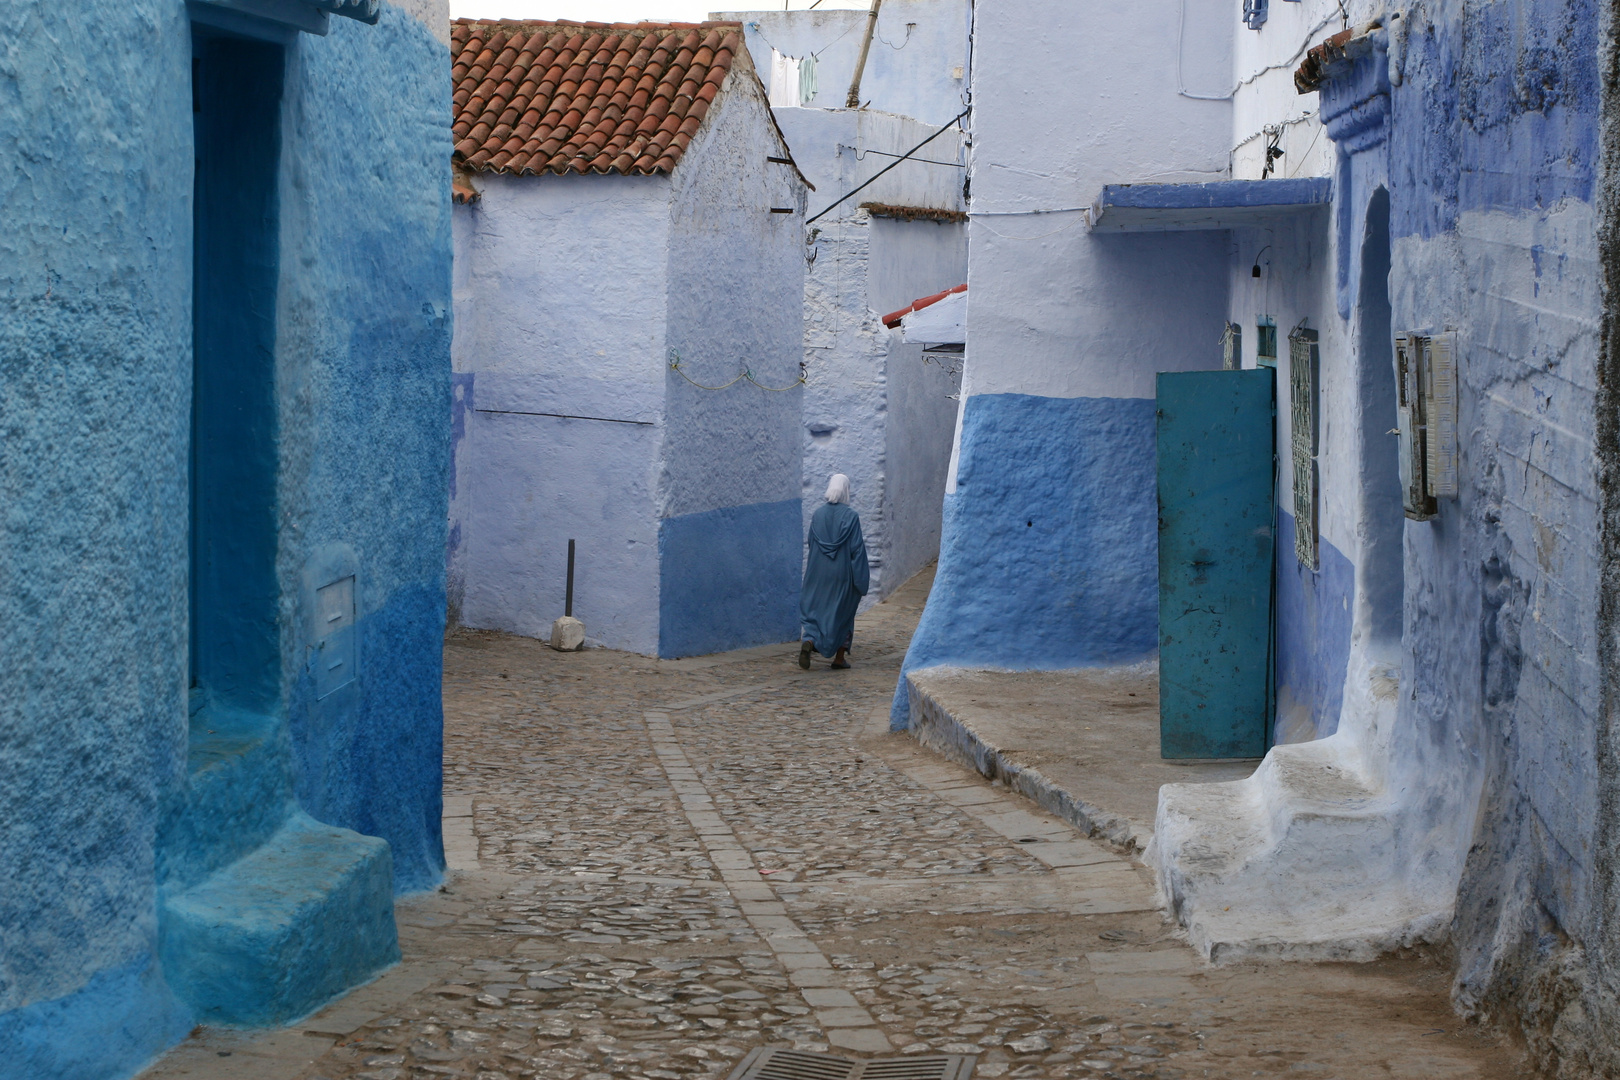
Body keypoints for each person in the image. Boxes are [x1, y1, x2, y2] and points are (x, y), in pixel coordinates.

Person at [798, 473, 869, 670]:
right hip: (842, 573)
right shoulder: (851, 516)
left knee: (817, 609)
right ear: (846, 489)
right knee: (843, 612)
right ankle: (839, 659)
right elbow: (856, 549)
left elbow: (812, 543)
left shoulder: (818, 514)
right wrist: (861, 580)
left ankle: (810, 641)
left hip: (818, 571)